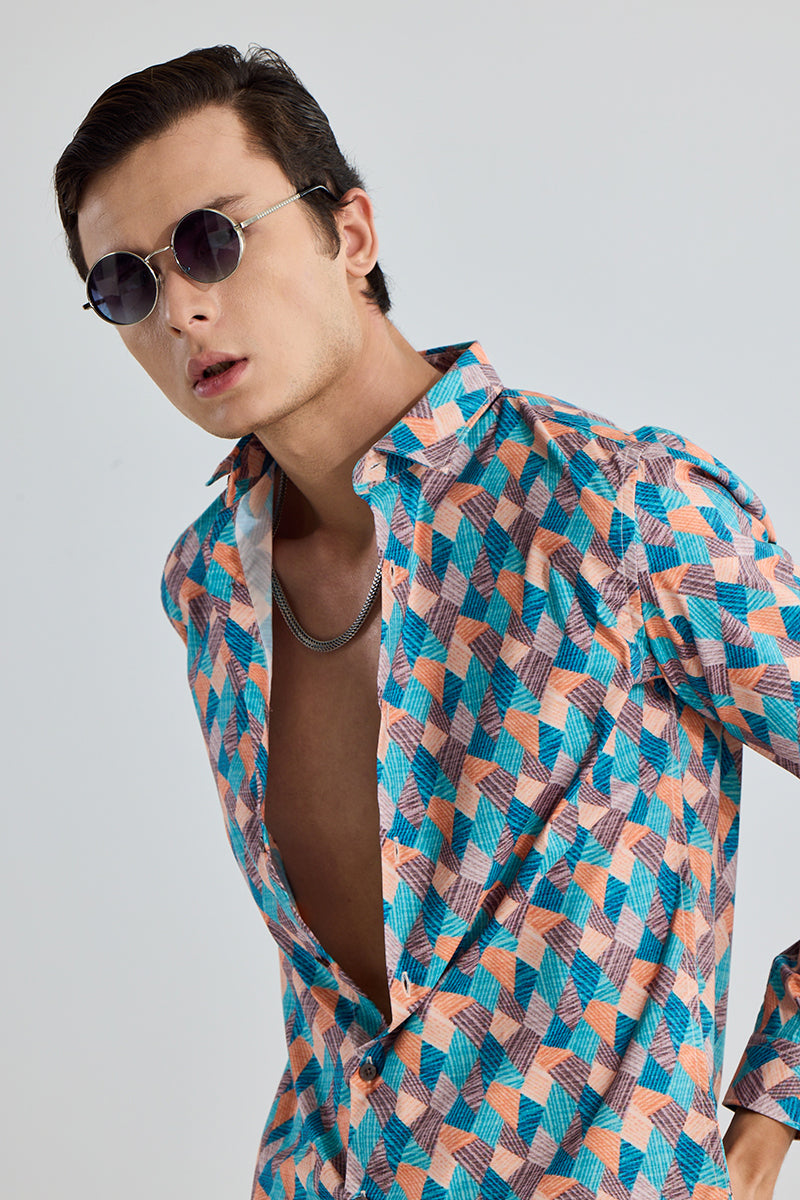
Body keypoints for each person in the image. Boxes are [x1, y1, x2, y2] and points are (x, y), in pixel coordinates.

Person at [55, 43, 799, 1200]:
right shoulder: (208, 586)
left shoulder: (610, 509)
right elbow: (341, 1009)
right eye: (126, 285)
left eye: (212, 240)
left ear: (349, 232)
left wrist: (757, 1136)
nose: (184, 309)